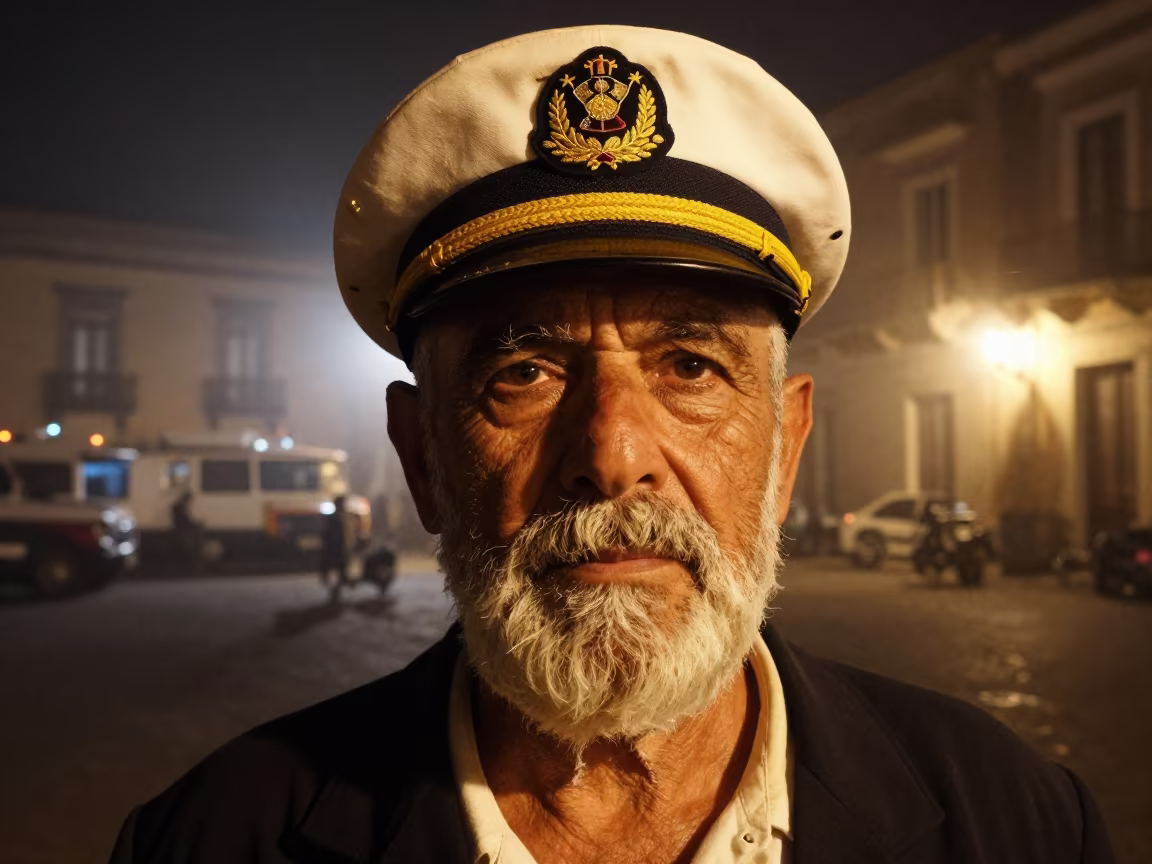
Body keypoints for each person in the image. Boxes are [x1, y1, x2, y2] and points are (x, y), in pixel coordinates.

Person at [110, 27, 1115, 864]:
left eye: (690, 368)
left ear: (787, 444)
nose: (613, 451)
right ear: (422, 458)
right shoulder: (215, 838)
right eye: (524, 373)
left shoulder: (1018, 824)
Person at [318, 495, 349, 601]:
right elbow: (333, 537)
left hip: (334, 551)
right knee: (335, 572)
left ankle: (335, 593)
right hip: (334, 552)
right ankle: (334, 594)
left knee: (335, 573)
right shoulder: (335, 518)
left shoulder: (335, 517)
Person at [169, 490, 202, 576]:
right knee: (193, 548)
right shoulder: (179, 509)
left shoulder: (181, 509)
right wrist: (197, 525)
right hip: (183, 535)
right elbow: (186, 523)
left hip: (184, 534)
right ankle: (193, 569)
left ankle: (192, 569)